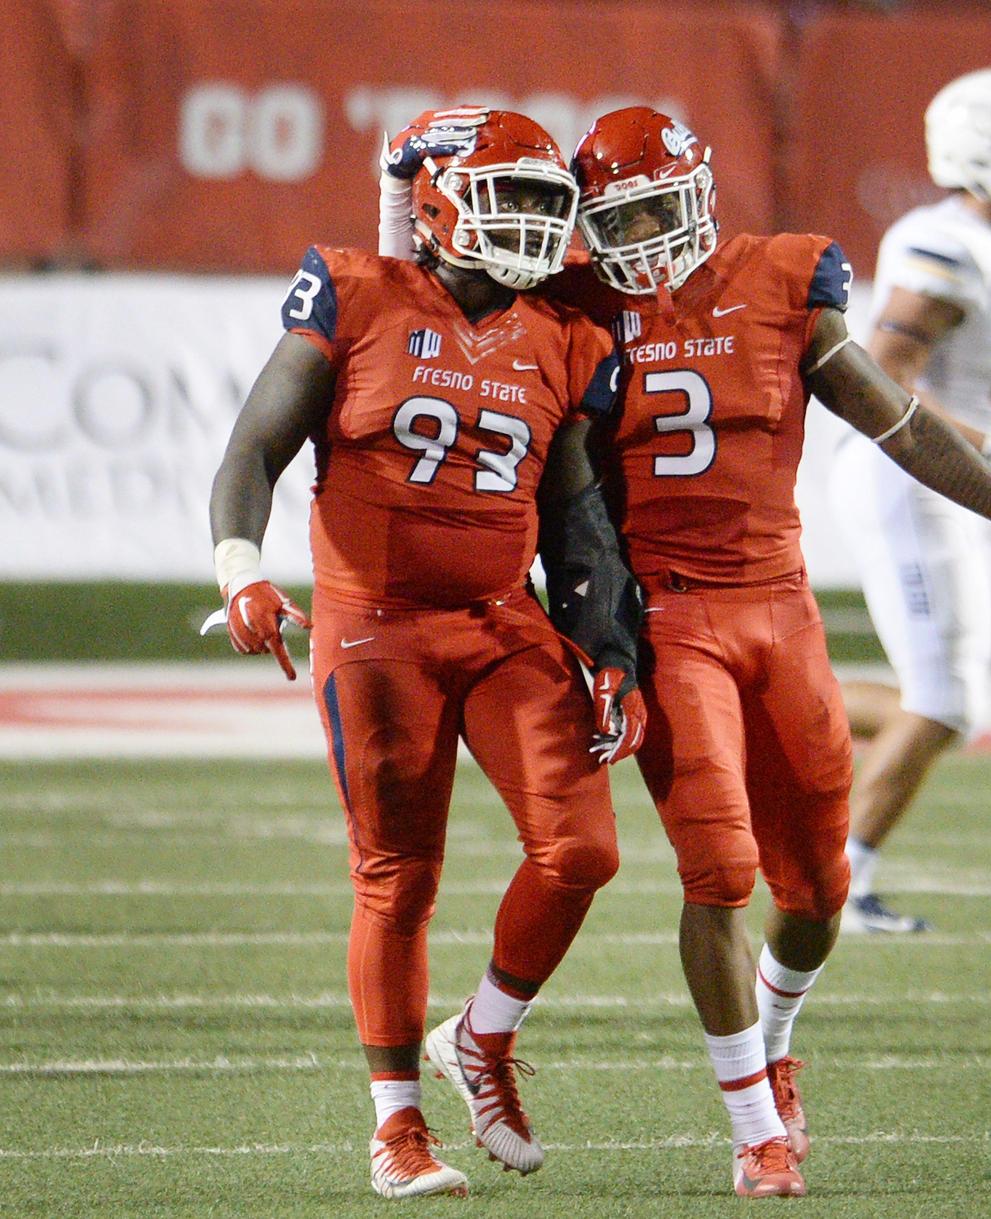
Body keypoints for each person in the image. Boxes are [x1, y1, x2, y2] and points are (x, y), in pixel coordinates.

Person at [378, 104, 991, 1199]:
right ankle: (754, 1127)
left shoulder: (781, 280)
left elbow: (900, 421)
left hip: (780, 604)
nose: (644, 241)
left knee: (814, 888)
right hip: (666, 615)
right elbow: (418, 306)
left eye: (660, 212)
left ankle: (775, 1037)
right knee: (719, 870)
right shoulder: (569, 300)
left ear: (705, 195)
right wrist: (400, 188)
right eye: (618, 220)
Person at [207, 107, 647, 1201]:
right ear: (445, 204)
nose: (541, 221)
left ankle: (482, 1035)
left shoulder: (565, 331)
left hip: (502, 620)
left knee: (583, 848)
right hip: (374, 625)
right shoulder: (358, 293)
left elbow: (577, 513)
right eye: (519, 196)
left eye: (553, 200)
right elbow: (254, 446)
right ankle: (395, 1128)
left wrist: (606, 645)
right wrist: (239, 570)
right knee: (399, 879)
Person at [829, 68, 991, 933]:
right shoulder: (941, 245)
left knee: (950, 700)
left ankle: (769, 697)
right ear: (982, 155)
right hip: (910, 472)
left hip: (956, 474)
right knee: (942, 700)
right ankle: (842, 882)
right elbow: (881, 377)